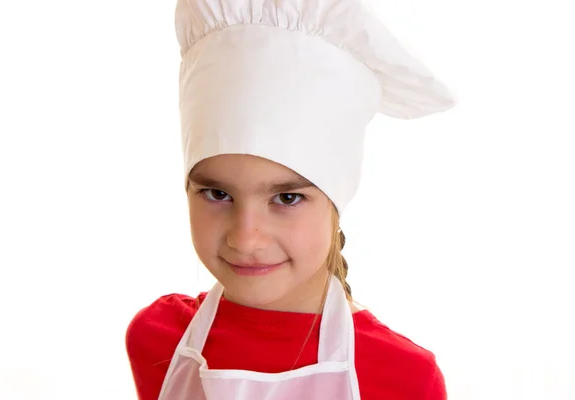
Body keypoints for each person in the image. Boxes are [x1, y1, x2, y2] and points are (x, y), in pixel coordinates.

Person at [126, 0, 457, 398]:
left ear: (336, 201)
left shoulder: (404, 377)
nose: (245, 239)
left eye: (286, 197)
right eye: (218, 193)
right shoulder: (157, 337)